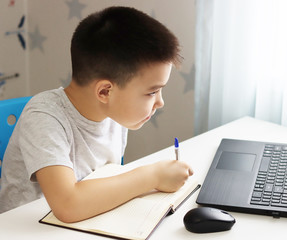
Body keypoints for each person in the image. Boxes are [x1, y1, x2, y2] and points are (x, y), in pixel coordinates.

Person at [0, 6, 193, 222]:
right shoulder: (43, 116)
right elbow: (68, 205)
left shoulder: (113, 115)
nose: (160, 102)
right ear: (104, 91)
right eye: (152, 92)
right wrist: (153, 176)